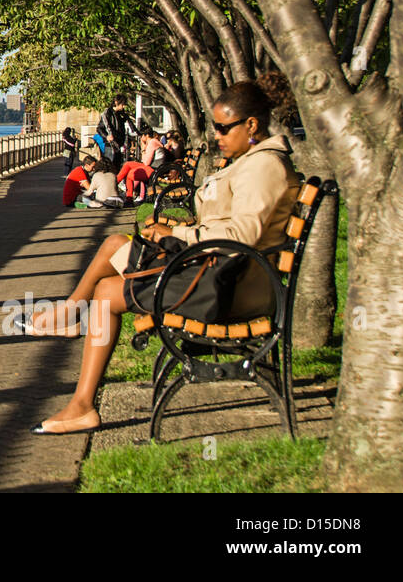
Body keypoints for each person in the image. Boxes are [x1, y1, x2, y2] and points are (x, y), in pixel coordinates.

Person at [17, 76, 301, 435]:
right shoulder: (251, 161)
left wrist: (178, 234)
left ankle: (72, 332)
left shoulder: (264, 167)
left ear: (252, 125)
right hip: (220, 272)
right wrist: (175, 233)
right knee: (109, 272)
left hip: (231, 288)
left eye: (223, 128)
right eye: (214, 127)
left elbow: (241, 235)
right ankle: (81, 399)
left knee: (112, 261)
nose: (216, 135)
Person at [96, 94, 134, 168]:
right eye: (122, 104)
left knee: (118, 166)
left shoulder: (120, 114)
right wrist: (106, 136)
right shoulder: (108, 113)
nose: (123, 107)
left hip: (119, 145)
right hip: (111, 145)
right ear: (116, 102)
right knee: (110, 166)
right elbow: (99, 128)